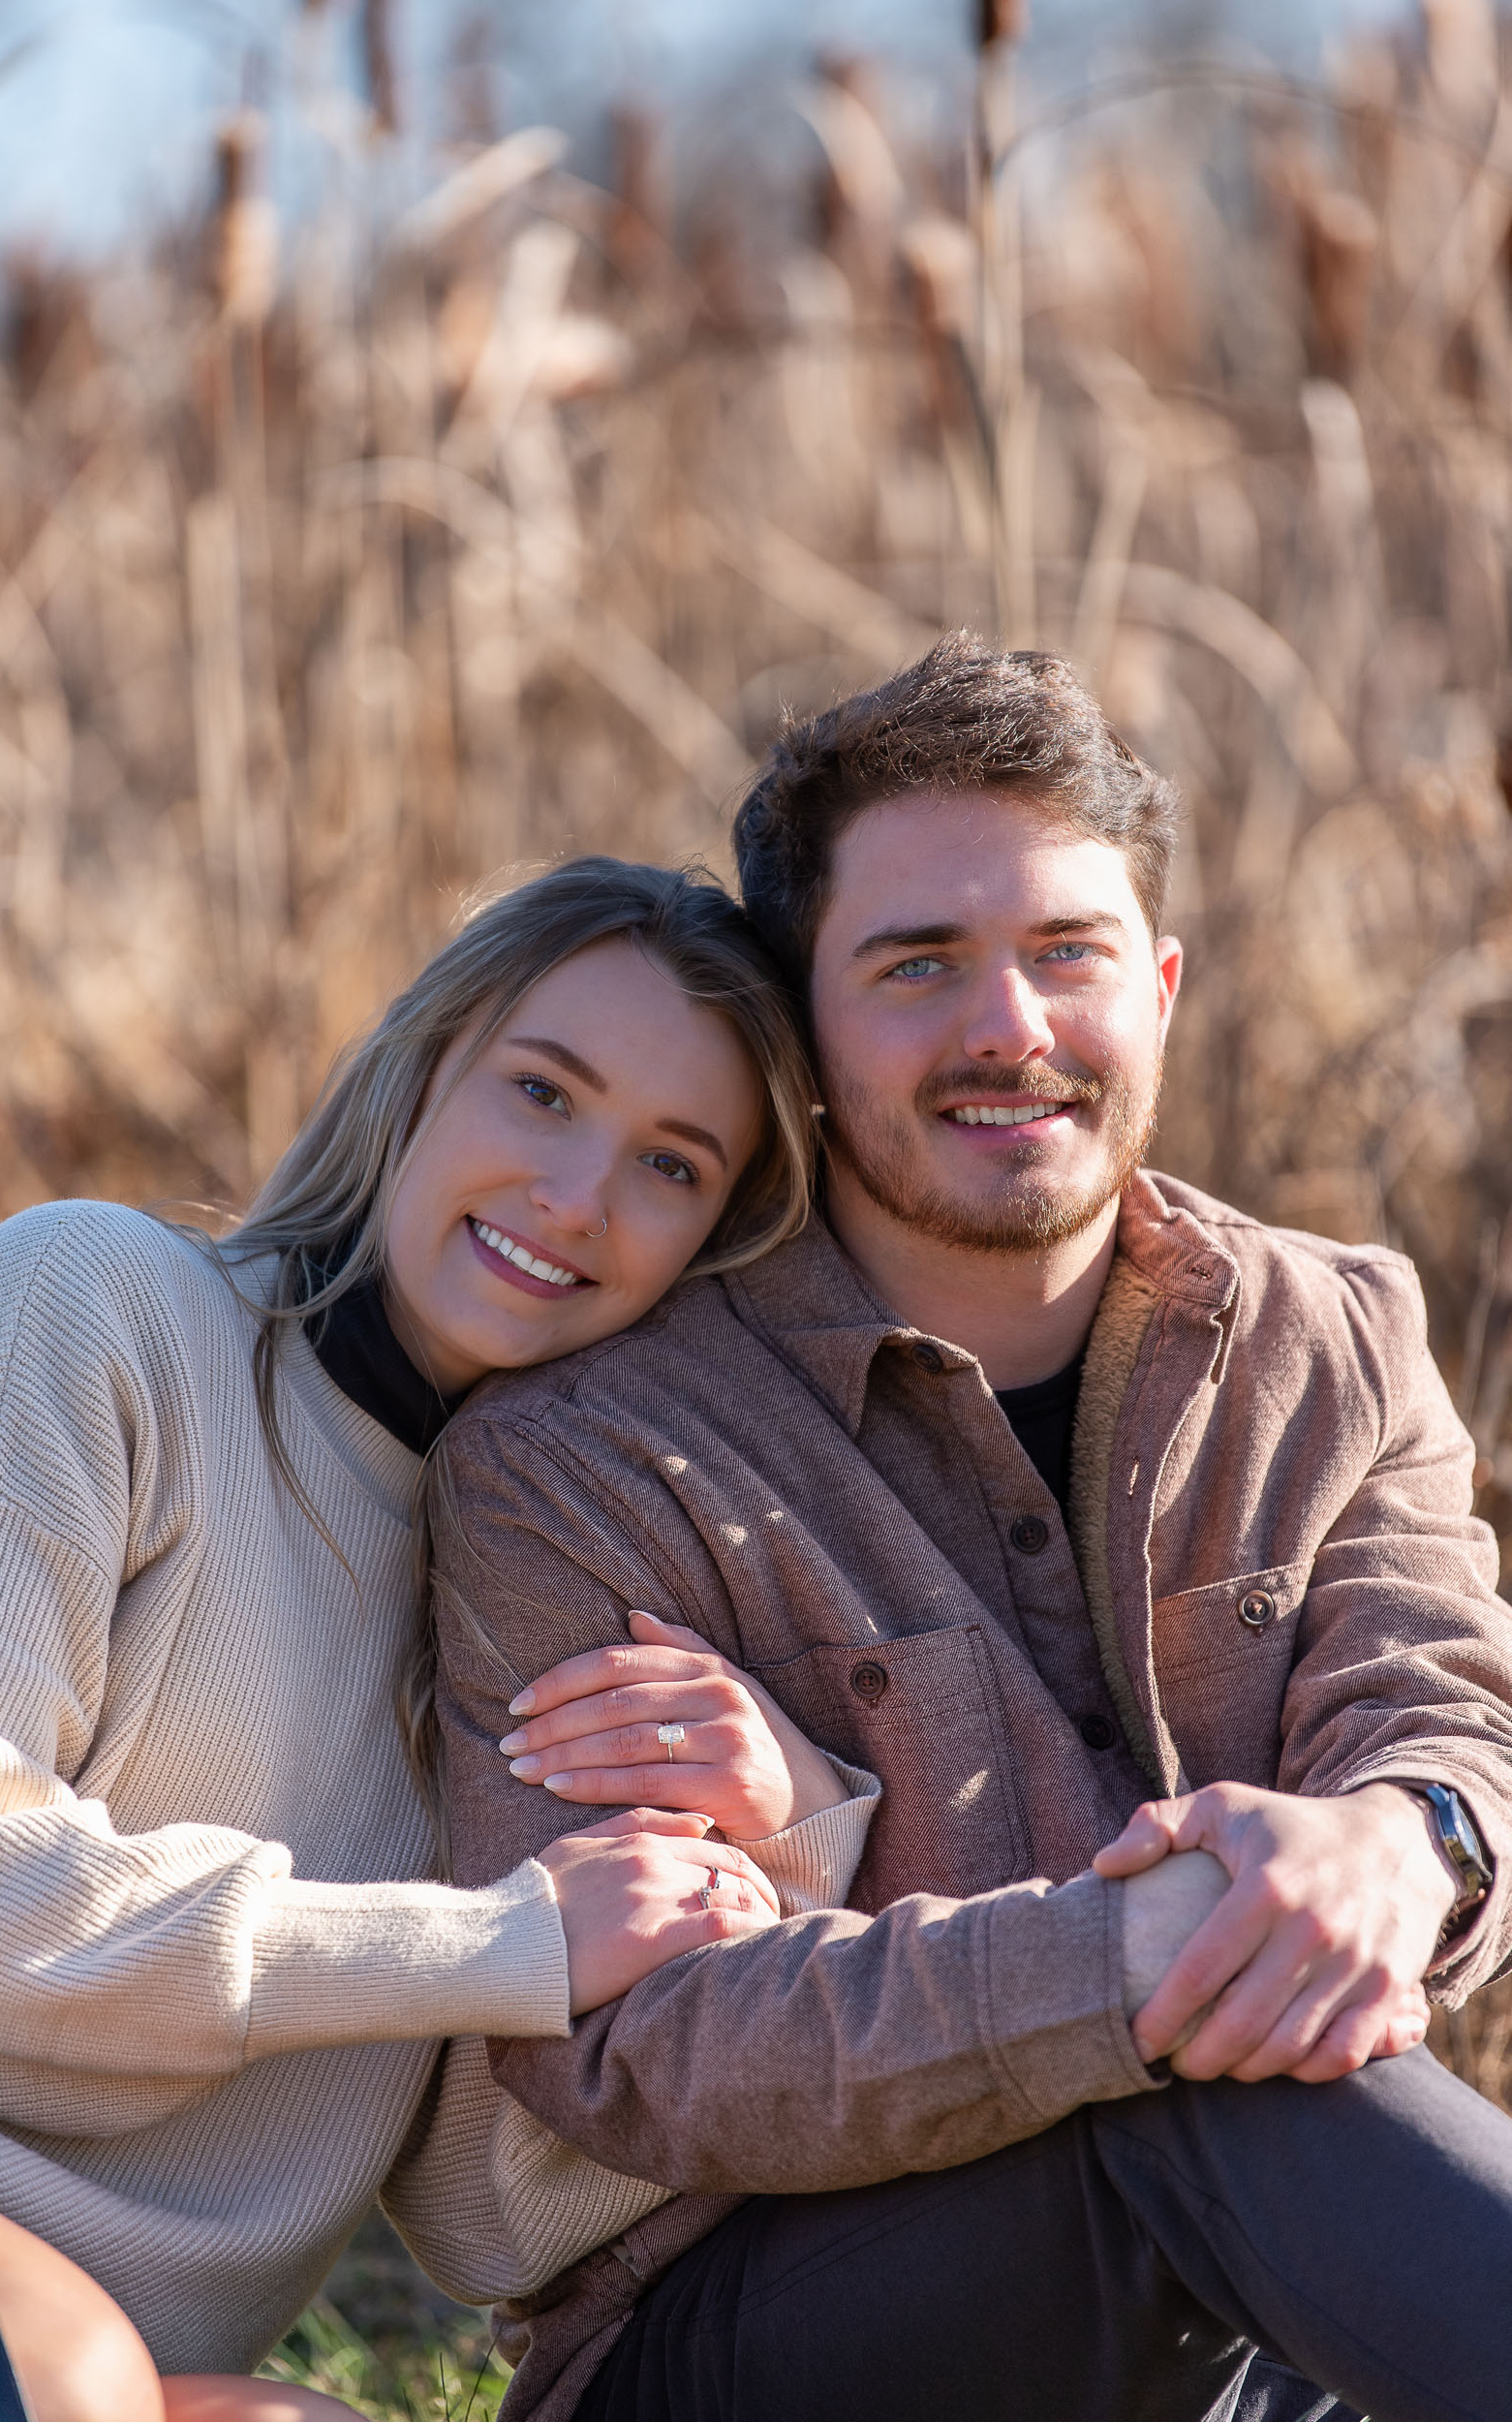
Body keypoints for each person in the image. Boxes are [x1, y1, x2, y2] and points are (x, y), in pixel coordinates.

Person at [428, 637, 1512, 2422]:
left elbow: (1443, 1712)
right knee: (1208, 2085)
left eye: (1064, 953)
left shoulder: (1336, 1338)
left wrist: (1406, 1841)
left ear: (1157, 987)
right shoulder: (588, 1454)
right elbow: (639, 2047)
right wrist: (1141, 1962)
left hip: (1257, 2308)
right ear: (802, 1035)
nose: (1005, 1027)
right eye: (916, 964)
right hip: (753, 2337)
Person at [0, 857, 884, 2422]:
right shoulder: (96, 1308)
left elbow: (485, 2218)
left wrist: (790, 1836)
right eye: (544, 1093)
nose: (575, 1197)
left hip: (122, 2370)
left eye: (671, 1167)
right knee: (55, 2369)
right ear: (425, 1068)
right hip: (4, 2313)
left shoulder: (536, 1603)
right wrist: (501, 1940)